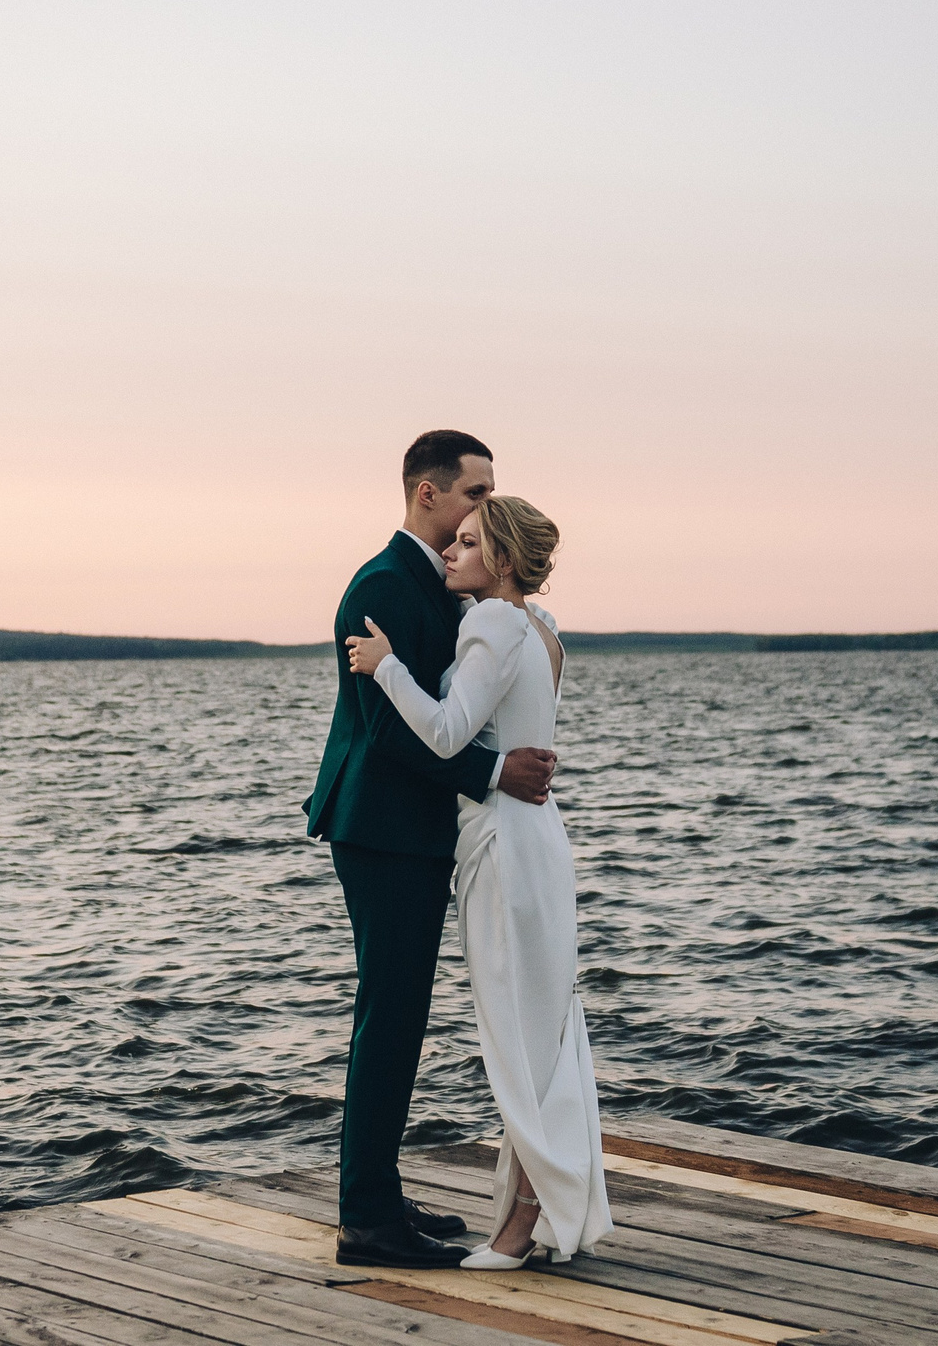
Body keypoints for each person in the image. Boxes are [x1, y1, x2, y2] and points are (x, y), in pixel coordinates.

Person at [305, 431, 560, 1270]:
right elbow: (388, 733)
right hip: (380, 828)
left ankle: (378, 1189)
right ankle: (367, 1219)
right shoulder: (381, 585)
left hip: (414, 830)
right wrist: (494, 771)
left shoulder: (440, 582)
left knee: (403, 1015)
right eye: (477, 493)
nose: (485, 508)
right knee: (389, 1017)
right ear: (428, 493)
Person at [347, 494, 612, 1268]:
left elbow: (445, 731)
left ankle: (520, 1228)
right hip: (542, 840)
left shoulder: (491, 621)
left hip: (502, 842)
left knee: (515, 1040)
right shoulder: (545, 627)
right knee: (546, 1032)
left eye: (467, 543)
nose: (452, 554)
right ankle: (540, 1212)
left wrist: (385, 665)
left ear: (499, 558)